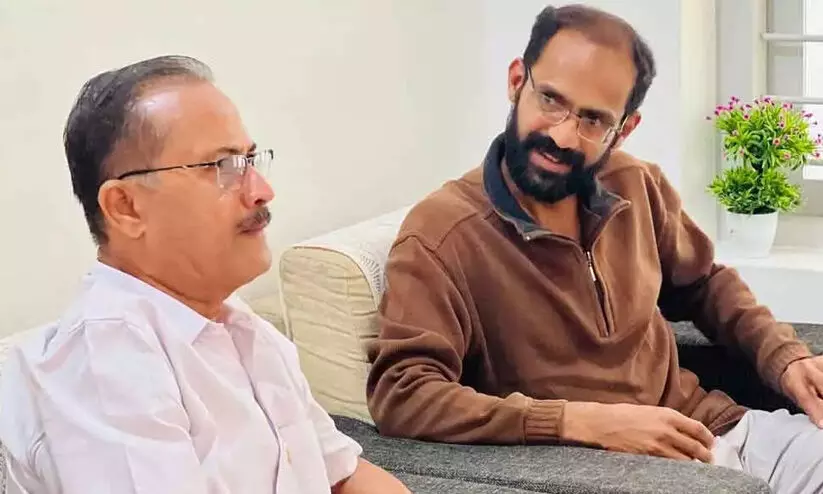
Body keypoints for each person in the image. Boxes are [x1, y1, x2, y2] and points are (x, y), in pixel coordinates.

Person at [366, 4, 823, 493]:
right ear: (517, 81)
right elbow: (403, 393)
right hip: (609, 472)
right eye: (551, 99)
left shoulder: (636, 184)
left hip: (719, 430)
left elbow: (704, 283)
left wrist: (786, 358)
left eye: (593, 119)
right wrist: (575, 421)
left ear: (624, 129)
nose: (562, 134)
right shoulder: (442, 233)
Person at [0, 55, 408, 494]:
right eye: (223, 167)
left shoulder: (242, 327)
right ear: (126, 207)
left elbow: (343, 474)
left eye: (250, 160)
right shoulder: (107, 360)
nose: (262, 191)